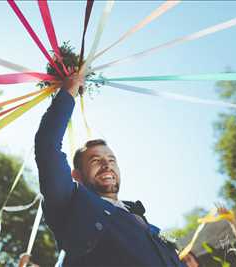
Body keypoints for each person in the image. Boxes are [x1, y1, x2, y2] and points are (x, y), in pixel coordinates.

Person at [34, 72, 185, 266]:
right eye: (95, 160)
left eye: (111, 160)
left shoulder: (147, 224)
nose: (107, 165)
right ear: (76, 175)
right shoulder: (71, 204)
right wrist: (68, 92)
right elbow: (47, 148)